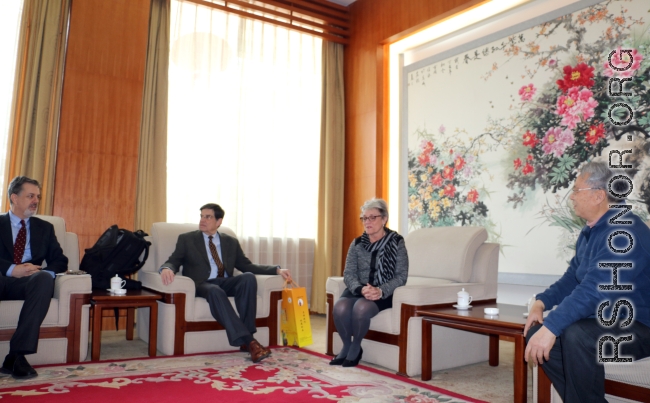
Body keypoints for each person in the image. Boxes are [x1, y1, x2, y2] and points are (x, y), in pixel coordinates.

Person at [524, 161, 650, 402]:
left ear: (598, 195)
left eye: (576, 190)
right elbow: (573, 277)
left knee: (577, 334)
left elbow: (596, 291)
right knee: (536, 333)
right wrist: (541, 302)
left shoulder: (625, 232)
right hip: (610, 321)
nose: (571, 197)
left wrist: (553, 326)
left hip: (641, 326)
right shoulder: (591, 231)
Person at [159, 203, 291, 363]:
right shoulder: (187, 239)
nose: (203, 220)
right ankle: (250, 341)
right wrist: (167, 268)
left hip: (225, 281)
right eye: (201, 216)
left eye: (208, 217)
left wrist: (276, 270)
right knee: (215, 291)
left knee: (248, 277)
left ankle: (246, 339)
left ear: (219, 221)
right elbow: (173, 260)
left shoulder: (230, 242)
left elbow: (246, 265)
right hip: (202, 284)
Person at [0, 176, 68, 379]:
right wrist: (13, 269)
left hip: (27, 283)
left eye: (37, 196)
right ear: (14, 198)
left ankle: (17, 355)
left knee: (45, 279)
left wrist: (42, 273)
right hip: (2, 278)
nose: (35, 200)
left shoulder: (44, 228)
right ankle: (15, 359)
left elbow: (60, 260)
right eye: (30, 196)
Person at [330, 198, 408, 367]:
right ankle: (347, 346)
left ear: (384, 218)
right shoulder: (357, 243)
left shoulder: (397, 242)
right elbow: (349, 273)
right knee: (339, 307)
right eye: (365, 218)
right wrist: (360, 289)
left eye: (373, 217)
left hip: (383, 292)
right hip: (358, 289)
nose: (368, 221)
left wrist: (380, 290)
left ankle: (356, 346)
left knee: (361, 307)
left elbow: (401, 276)